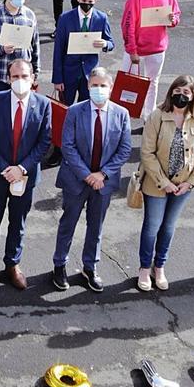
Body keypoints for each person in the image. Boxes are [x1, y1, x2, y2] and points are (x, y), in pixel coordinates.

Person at [52, 67, 132, 293]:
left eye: (103, 86)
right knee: (68, 223)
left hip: (103, 183)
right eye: (94, 85)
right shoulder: (75, 111)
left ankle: (90, 266)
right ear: (88, 87)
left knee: (96, 226)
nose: (98, 89)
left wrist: (103, 174)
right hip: (77, 180)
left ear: (111, 87)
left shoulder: (121, 114)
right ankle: (60, 264)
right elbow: (67, 146)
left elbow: (125, 149)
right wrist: (87, 175)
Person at [0, 59, 51, 290]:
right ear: (8, 79)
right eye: (15, 77)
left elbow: (44, 141)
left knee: (18, 222)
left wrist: (22, 169)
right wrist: (5, 168)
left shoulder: (43, 104)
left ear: (33, 79)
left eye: (24, 76)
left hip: (25, 176)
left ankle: (13, 264)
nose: (20, 81)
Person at [137, 75, 194, 291]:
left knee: (168, 227)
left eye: (187, 92)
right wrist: (164, 182)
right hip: (157, 184)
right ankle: (143, 268)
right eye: (178, 91)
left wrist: (191, 182)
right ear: (171, 92)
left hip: (183, 186)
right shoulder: (157, 116)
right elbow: (147, 153)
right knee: (152, 226)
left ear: (193, 96)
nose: (182, 95)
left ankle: (159, 267)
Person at [120, 0, 182, 116]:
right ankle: (125, 114)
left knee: (153, 83)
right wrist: (132, 50)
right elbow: (128, 24)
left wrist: (172, 19)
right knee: (130, 84)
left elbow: (176, 14)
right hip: (137, 51)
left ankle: (149, 116)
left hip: (157, 49)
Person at [51, 0, 115, 105]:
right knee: (64, 109)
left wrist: (105, 44)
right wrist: (57, 79)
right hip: (68, 73)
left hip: (89, 74)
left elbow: (111, 42)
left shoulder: (101, 18)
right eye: (84, 1)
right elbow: (58, 49)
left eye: (90, 2)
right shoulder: (65, 18)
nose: (87, 5)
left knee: (86, 109)